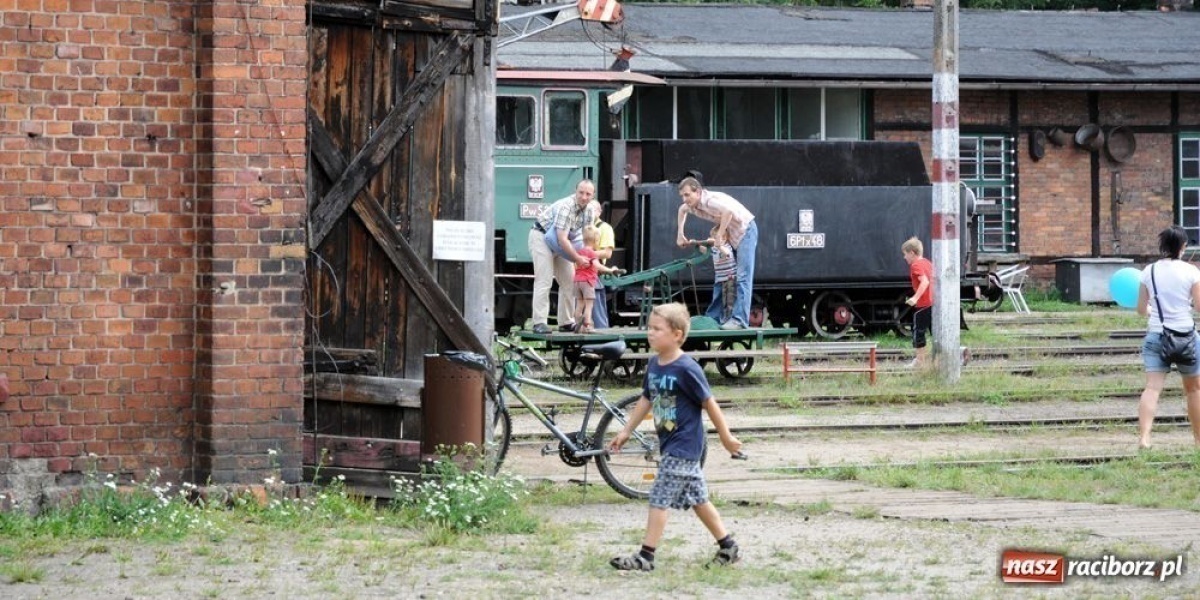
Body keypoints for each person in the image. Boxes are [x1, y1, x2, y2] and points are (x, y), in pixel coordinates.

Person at [608, 302, 744, 572]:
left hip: (685, 445)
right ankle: (729, 547)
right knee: (698, 499)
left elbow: (710, 403)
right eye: (649, 328)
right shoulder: (655, 365)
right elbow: (646, 399)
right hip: (670, 443)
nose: (650, 333)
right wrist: (625, 431)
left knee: (659, 496)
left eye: (657, 329)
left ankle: (646, 556)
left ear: (677, 334)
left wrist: (726, 437)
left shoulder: (687, 368)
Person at [1137, 225, 1200, 449]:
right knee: (1194, 389)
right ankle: (1198, 440)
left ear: (1163, 245)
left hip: (1157, 334)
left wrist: (1155, 311)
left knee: (1152, 388)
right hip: (1186, 335)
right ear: (1183, 247)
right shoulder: (1192, 271)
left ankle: (1144, 438)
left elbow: (1141, 308)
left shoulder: (1148, 271)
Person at [676, 177, 757, 330]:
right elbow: (681, 210)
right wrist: (680, 234)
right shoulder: (692, 205)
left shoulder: (709, 200)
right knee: (723, 278)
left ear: (698, 192)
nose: (684, 199)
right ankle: (714, 317)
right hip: (731, 234)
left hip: (745, 232)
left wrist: (719, 235)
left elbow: (728, 212)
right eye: (682, 196)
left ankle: (740, 320)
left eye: (687, 195)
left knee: (742, 277)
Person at [528, 181, 595, 334]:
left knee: (570, 281)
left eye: (588, 194)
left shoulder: (590, 211)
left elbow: (587, 238)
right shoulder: (566, 207)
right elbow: (562, 238)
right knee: (544, 280)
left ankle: (566, 322)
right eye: (581, 192)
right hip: (542, 237)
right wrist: (578, 259)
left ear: (593, 196)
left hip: (561, 243)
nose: (584, 197)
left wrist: (588, 259)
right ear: (575, 191)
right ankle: (539, 323)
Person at [572, 226, 624, 334]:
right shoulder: (592, 253)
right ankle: (587, 326)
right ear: (596, 240)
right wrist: (610, 271)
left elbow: (575, 266)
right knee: (589, 306)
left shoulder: (579, 252)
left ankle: (577, 324)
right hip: (588, 282)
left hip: (577, 281)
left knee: (579, 304)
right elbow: (597, 266)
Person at [902, 237, 934, 369]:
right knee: (935, 332)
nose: (904, 258)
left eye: (905, 254)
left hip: (923, 304)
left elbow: (925, 281)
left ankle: (920, 361)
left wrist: (915, 298)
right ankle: (937, 358)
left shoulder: (915, 265)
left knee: (918, 332)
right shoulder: (927, 262)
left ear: (912, 253)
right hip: (933, 303)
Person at [587, 200, 617, 330]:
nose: (589, 213)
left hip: (594, 273)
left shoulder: (605, 228)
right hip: (579, 275)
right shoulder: (582, 227)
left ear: (599, 212)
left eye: (592, 209)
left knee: (597, 312)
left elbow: (607, 253)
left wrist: (587, 255)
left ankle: (602, 335)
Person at [708, 227, 737, 326]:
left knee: (729, 300)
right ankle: (718, 318)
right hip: (720, 279)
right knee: (719, 299)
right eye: (715, 237)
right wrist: (699, 244)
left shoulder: (726, 247)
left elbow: (727, 253)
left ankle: (729, 319)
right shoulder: (714, 249)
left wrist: (719, 245)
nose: (720, 239)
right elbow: (705, 251)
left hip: (730, 278)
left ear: (725, 238)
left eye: (722, 237)